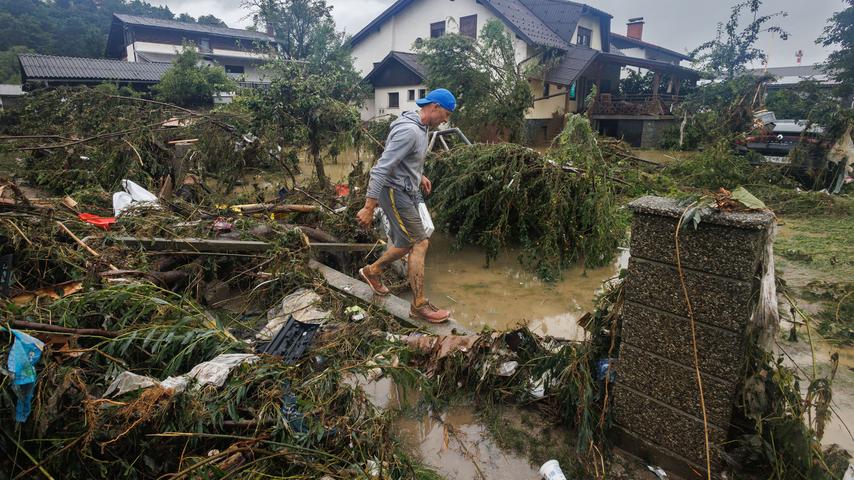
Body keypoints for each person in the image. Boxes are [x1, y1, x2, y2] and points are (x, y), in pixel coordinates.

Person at [356, 88, 456, 324]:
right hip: (394, 191)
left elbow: (404, 159)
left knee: (403, 244)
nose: (445, 120)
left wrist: (418, 175)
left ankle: (371, 271)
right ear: (434, 107)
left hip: (406, 188)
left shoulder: (420, 128)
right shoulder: (410, 130)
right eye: (446, 114)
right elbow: (381, 168)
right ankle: (419, 305)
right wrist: (369, 207)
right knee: (420, 242)